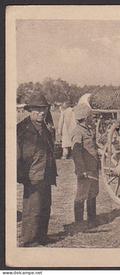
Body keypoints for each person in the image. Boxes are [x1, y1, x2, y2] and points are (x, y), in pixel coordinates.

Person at [17, 93, 57, 246]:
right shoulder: (21, 129)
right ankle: (28, 240)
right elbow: (16, 156)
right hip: (31, 175)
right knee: (32, 209)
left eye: (44, 110)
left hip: (46, 173)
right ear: (30, 110)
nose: (41, 113)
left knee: (45, 206)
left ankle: (41, 236)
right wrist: (22, 176)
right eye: (38, 110)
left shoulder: (46, 127)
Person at [69, 104, 99, 230]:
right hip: (85, 170)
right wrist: (81, 170)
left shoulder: (88, 129)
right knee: (81, 195)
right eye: (90, 116)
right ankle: (79, 223)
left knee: (93, 193)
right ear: (86, 118)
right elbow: (76, 153)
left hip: (93, 168)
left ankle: (92, 220)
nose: (92, 118)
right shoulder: (78, 132)